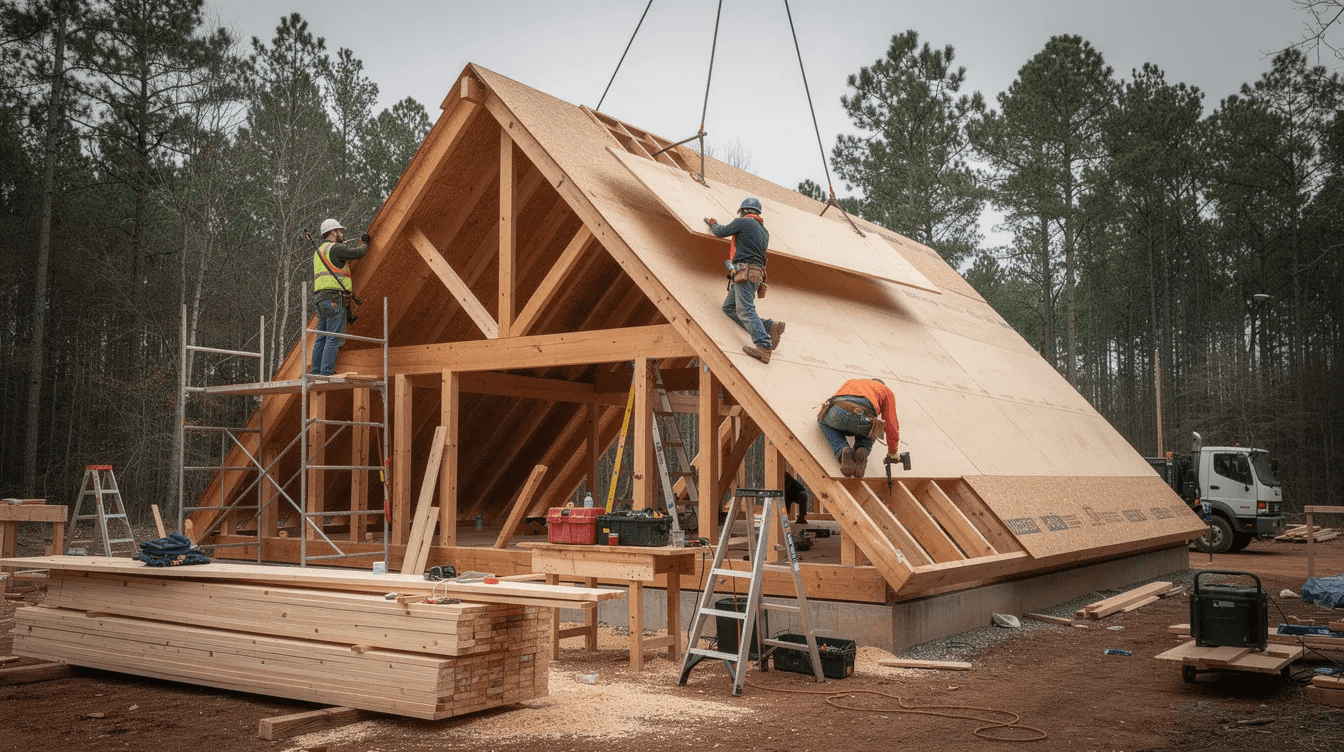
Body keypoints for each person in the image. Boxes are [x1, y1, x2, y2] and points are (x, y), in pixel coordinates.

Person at [703, 197, 785, 364]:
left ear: (743, 211)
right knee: (729, 308)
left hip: (745, 272)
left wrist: (712, 223)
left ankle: (764, 345)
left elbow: (720, 232)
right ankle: (769, 326)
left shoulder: (743, 222)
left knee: (746, 310)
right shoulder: (764, 231)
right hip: (755, 273)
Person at [310, 218, 369, 376]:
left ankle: (315, 373)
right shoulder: (334, 249)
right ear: (333, 232)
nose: (342, 234)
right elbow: (359, 253)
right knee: (334, 338)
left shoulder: (319, 252)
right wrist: (365, 242)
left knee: (321, 338)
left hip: (321, 300)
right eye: (340, 231)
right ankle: (327, 372)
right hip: (334, 300)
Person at [817, 378, 901, 477]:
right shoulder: (886, 391)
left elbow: (835, 400)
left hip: (839, 412)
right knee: (874, 429)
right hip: (863, 420)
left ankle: (842, 449)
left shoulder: (852, 381)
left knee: (822, 421)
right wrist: (892, 452)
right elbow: (892, 423)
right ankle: (862, 450)